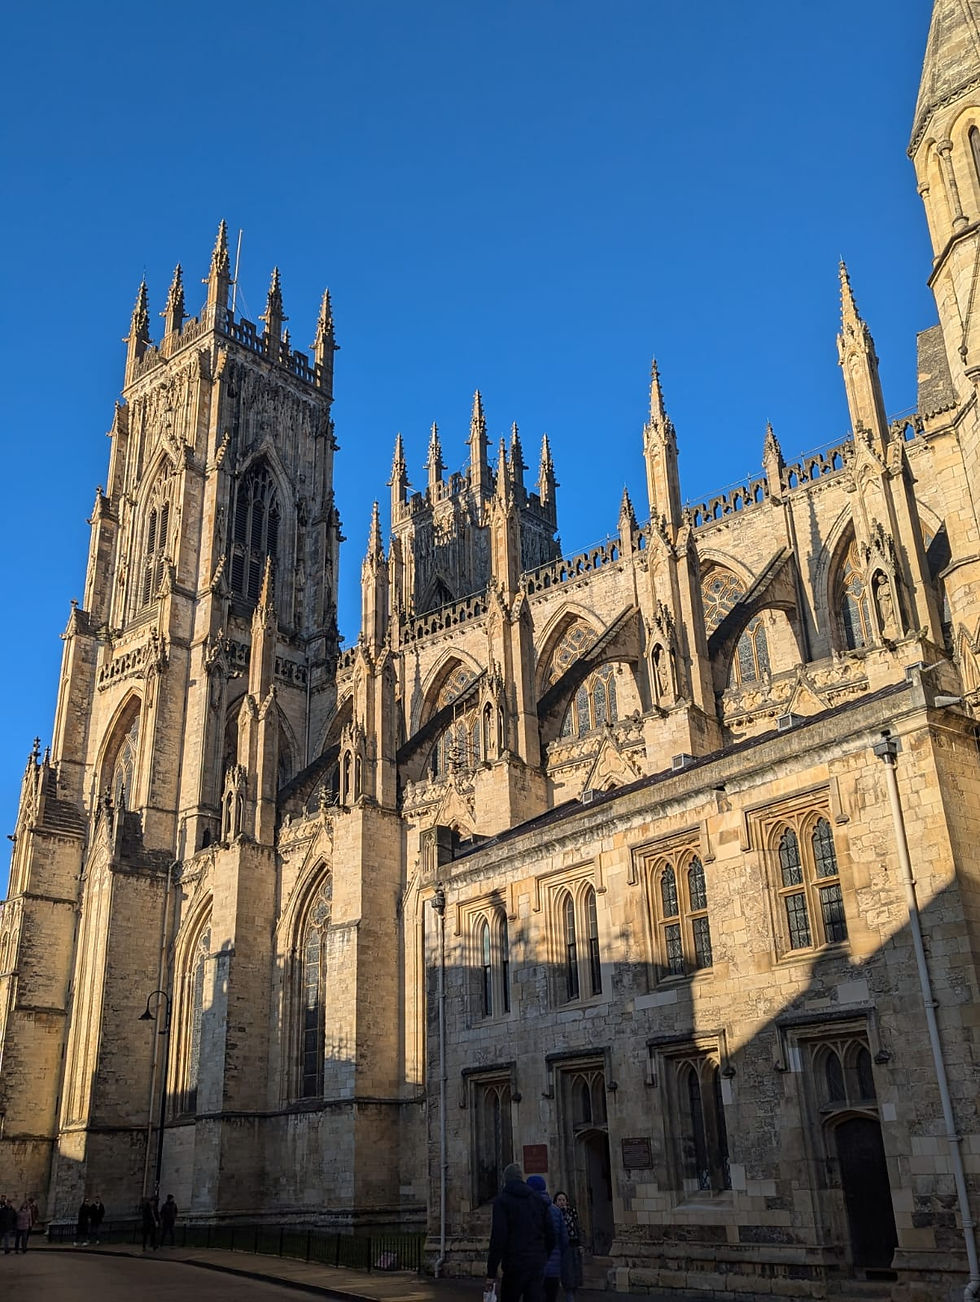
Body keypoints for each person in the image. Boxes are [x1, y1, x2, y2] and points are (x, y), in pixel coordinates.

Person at [486, 1162, 555, 1302]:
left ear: (506, 1180)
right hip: (536, 1264)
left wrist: (491, 1272)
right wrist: (543, 1256)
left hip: (514, 1265)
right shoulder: (537, 1200)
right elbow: (551, 1234)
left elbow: (498, 1238)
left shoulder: (502, 1201)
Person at [526, 1177, 567, 1302]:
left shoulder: (527, 1210)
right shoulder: (556, 1211)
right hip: (553, 1267)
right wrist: (558, 1255)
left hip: (533, 1267)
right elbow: (564, 1239)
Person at [554, 1192, 583, 1302]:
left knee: (573, 1275)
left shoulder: (572, 1213)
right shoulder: (555, 1213)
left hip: (573, 1246)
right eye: (559, 1200)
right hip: (560, 1248)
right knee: (566, 1276)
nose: (561, 1202)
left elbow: (576, 1228)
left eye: (563, 1200)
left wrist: (580, 1244)